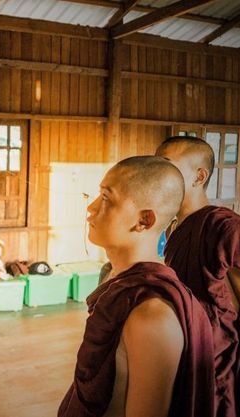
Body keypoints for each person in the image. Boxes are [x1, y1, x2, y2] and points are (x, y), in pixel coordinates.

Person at [59, 156, 215, 417]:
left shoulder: (151, 315)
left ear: (144, 220)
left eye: (106, 198)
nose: (92, 208)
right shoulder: (115, 279)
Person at [156, 136, 240, 416]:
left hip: (223, 378)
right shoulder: (174, 227)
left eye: (167, 166)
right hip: (190, 361)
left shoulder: (228, 230)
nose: (158, 175)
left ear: (199, 176)